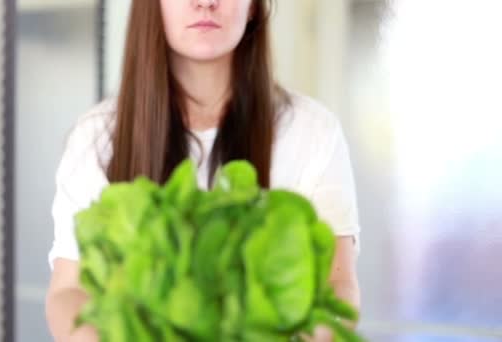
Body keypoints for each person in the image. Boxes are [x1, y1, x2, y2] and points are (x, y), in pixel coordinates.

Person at [45, 0, 361, 341]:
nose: (205, 3)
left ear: (254, 6)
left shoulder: (313, 132)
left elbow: (338, 284)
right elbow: (68, 291)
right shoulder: (95, 137)